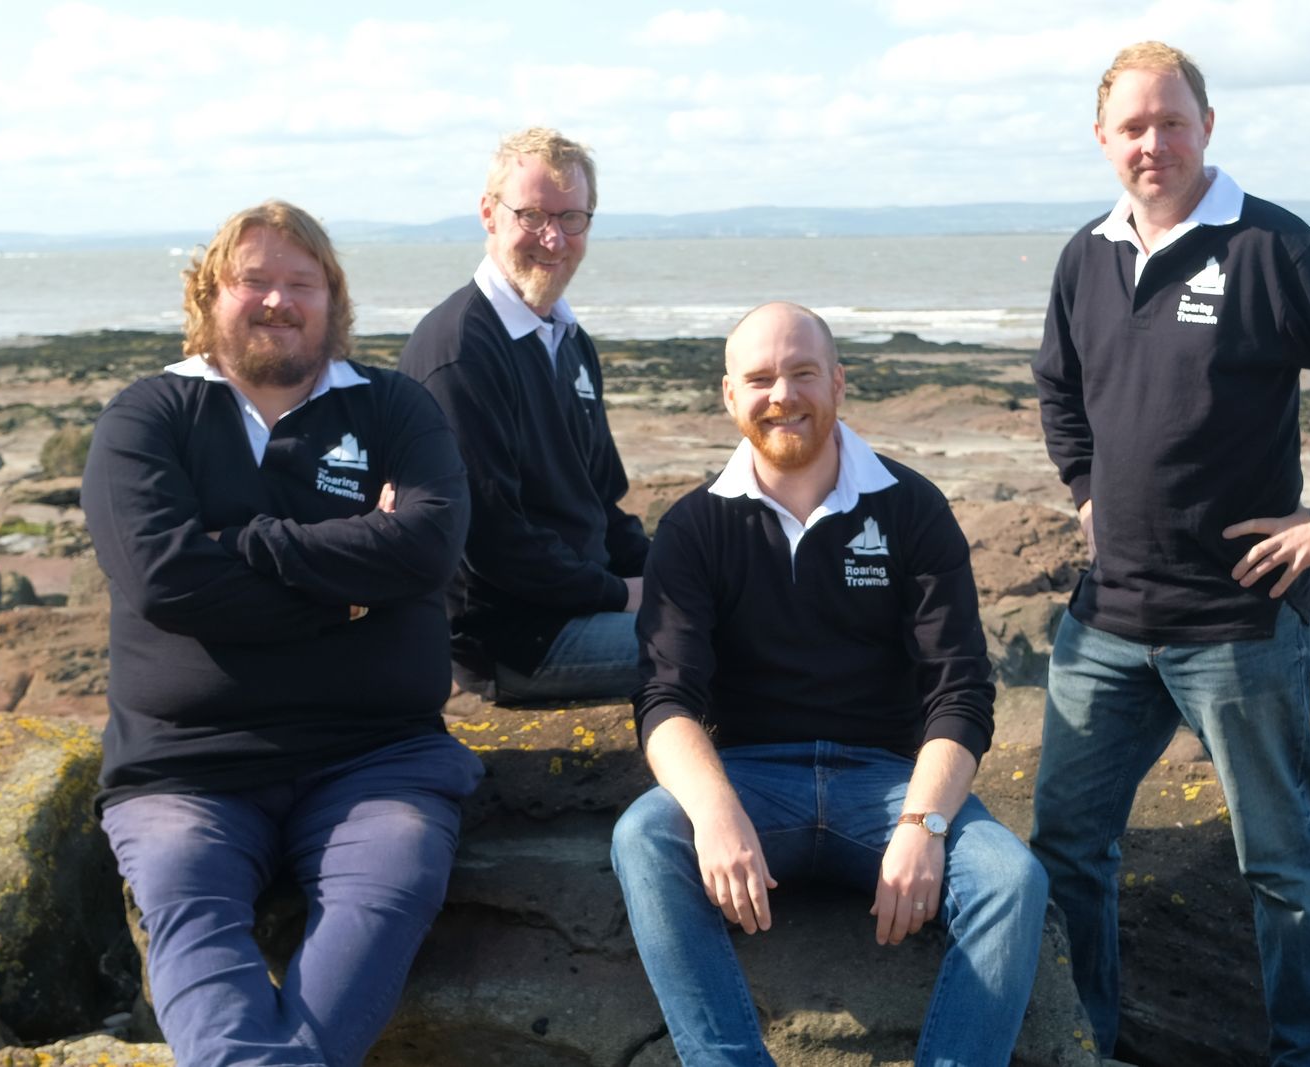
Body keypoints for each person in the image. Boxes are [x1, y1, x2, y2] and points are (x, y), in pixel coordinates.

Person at [1030, 41, 1310, 1067]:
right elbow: (1058, 384)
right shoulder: (1085, 255)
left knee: (1283, 863)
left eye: (1172, 122)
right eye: (1133, 126)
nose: (1153, 143)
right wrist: (1085, 489)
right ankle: (1091, 1044)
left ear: (1206, 126)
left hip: (1238, 622)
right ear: (1101, 138)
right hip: (1106, 621)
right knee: (1067, 849)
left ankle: (1303, 1056)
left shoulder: (1269, 246)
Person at [83, 200, 482, 1067]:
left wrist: (244, 543)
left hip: (377, 756)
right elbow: (165, 578)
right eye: (253, 280)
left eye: (302, 283)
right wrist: (350, 593)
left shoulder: (394, 409)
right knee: (185, 891)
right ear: (209, 295)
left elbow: (427, 548)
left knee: (396, 874)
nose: (279, 300)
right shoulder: (147, 418)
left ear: (332, 300)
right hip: (185, 768)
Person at [612, 301, 1048, 1066]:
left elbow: (960, 692)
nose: (782, 394)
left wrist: (923, 825)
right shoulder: (694, 526)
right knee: (644, 837)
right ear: (729, 395)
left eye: (802, 372)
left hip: (886, 782)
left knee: (1011, 879)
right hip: (752, 780)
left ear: (838, 383)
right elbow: (666, 697)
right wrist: (714, 812)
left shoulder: (911, 508)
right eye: (759, 378)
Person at [399, 126, 650, 704]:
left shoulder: (569, 340)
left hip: (583, 604)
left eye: (571, 218)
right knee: (721, 646)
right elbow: (491, 541)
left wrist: (671, 576)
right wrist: (621, 595)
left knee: (746, 608)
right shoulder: (461, 351)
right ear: (489, 214)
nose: (553, 238)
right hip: (515, 643)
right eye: (532, 215)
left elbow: (603, 504)